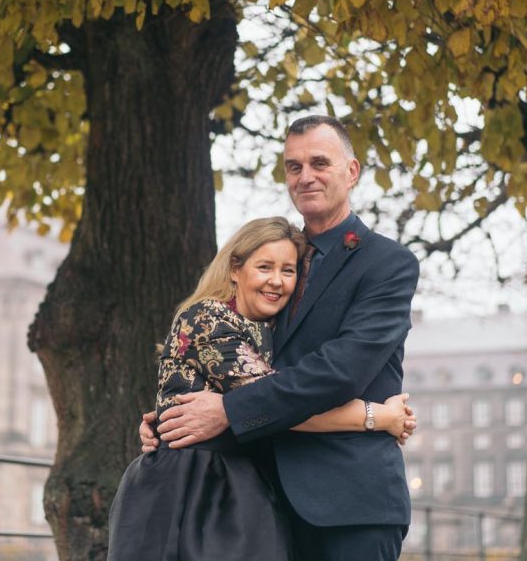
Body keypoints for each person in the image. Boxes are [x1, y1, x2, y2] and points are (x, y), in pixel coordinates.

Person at [141, 115, 421, 560]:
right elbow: (231, 362)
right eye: (293, 166)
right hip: (258, 505)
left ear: (351, 172)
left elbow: (340, 370)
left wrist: (229, 411)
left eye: (319, 163)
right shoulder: (273, 265)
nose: (305, 176)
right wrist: (170, 414)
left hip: (349, 504)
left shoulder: (388, 263)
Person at [108, 216, 415, 561]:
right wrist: (379, 416)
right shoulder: (209, 318)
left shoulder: (265, 329)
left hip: (237, 482)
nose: (276, 281)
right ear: (235, 269)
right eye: (264, 267)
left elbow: (268, 402)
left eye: (288, 270)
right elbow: (278, 403)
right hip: (192, 486)